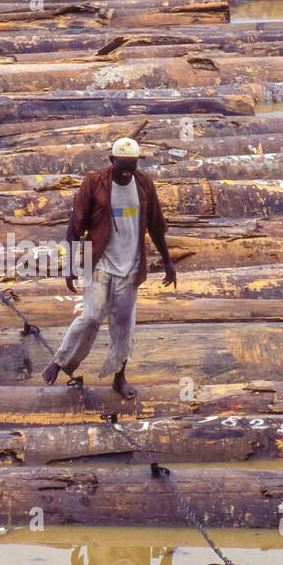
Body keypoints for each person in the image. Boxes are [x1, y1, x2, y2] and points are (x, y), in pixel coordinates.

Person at [42, 136, 178, 399]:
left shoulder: (144, 185)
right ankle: (60, 361)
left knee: (123, 324)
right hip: (100, 262)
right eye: (122, 165)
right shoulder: (95, 183)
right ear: (112, 160)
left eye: (132, 165)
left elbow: (156, 226)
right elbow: (74, 226)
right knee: (91, 316)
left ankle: (119, 376)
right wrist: (70, 266)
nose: (127, 171)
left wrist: (168, 261)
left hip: (131, 266)